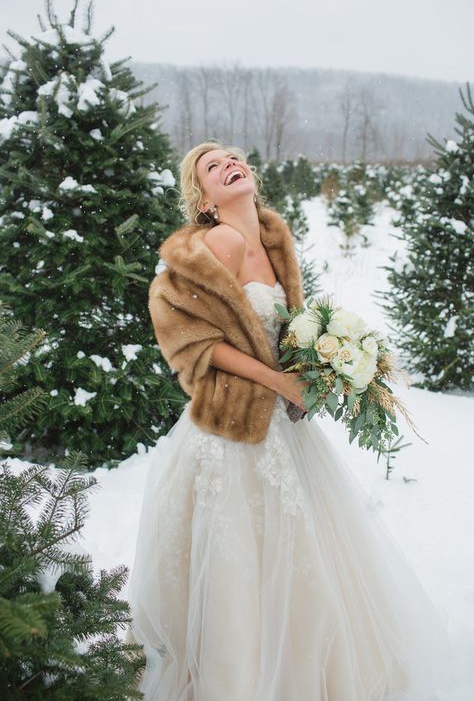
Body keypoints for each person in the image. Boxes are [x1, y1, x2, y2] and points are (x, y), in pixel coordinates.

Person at [125, 141, 453, 701]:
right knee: (239, 560)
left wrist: (325, 365)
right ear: (204, 199)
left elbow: (283, 330)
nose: (229, 161)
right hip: (231, 423)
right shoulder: (220, 241)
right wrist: (278, 381)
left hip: (281, 421)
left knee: (298, 551)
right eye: (212, 165)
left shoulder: (273, 238)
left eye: (231, 155)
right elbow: (193, 339)